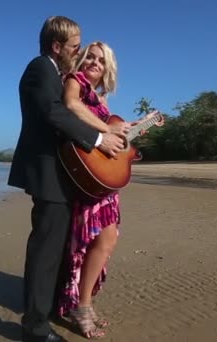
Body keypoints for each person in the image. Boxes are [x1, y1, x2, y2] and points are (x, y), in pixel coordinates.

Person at [8, 17, 130, 342]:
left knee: (59, 250)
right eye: (76, 46)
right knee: (45, 251)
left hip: (63, 176)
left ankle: (48, 308)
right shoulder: (40, 68)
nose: (80, 51)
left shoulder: (56, 72)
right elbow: (55, 112)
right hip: (47, 173)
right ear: (57, 46)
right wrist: (100, 139)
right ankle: (34, 329)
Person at [55, 41, 163, 339]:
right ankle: (81, 306)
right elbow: (72, 107)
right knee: (95, 242)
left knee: (106, 242)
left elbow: (114, 132)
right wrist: (107, 131)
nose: (93, 62)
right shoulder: (73, 82)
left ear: (107, 70)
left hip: (103, 182)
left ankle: (82, 303)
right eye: (89, 56)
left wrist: (138, 125)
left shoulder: (101, 102)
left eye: (101, 61)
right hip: (88, 179)